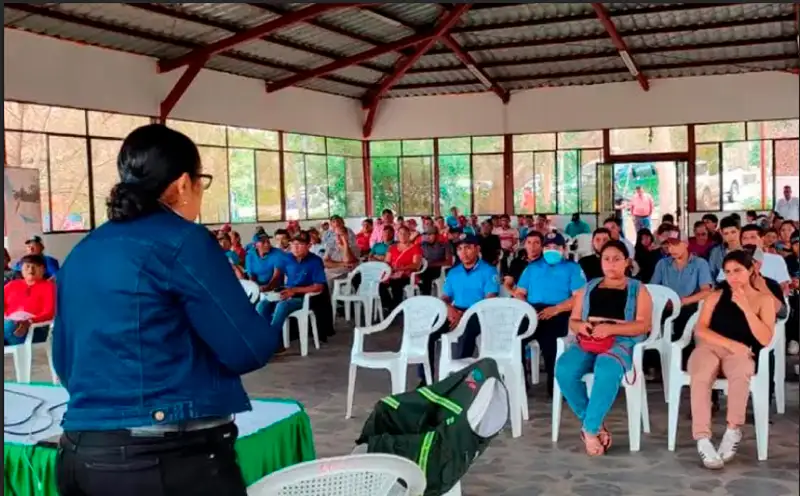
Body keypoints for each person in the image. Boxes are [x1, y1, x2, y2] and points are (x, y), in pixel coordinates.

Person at [52, 124, 279, 495]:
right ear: (184, 183)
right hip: (163, 458)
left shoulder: (84, 250)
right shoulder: (183, 241)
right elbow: (247, 348)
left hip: (82, 455)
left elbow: (65, 361)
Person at [555, 240, 652, 456]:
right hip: (589, 338)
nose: (611, 264)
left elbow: (644, 325)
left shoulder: (638, 289)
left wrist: (610, 329)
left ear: (626, 262)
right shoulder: (589, 287)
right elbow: (574, 320)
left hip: (621, 340)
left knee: (606, 367)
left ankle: (589, 430)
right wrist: (582, 326)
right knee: (564, 369)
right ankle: (594, 423)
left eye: (617, 259)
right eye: (606, 259)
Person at [688, 250, 776, 469]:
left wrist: (745, 307)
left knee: (741, 372)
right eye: (728, 272)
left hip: (741, 353)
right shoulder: (716, 296)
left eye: (737, 270)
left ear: (751, 270)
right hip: (710, 347)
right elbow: (700, 329)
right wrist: (730, 344)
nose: (732, 277)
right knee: (700, 374)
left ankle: (733, 429)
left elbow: (765, 338)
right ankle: (702, 438)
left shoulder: (764, 300)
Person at [515, 232, 586, 396]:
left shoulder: (572, 268)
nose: (551, 250)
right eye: (548, 247)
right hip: (532, 311)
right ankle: (520, 384)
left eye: (556, 247)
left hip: (560, 311)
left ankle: (554, 388)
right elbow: (519, 293)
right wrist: (528, 309)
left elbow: (579, 297)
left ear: (563, 249)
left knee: (550, 344)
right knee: (515, 339)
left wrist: (556, 309)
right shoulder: (532, 268)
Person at [421, 234, 498, 383]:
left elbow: (490, 299)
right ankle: (426, 378)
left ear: (477, 249)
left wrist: (465, 315)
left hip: (480, 313)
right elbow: (445, 297)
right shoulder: (454, 272)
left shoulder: (489, 271)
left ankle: (461, 378)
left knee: (466, 333)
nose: (464, 252)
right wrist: (449, 309)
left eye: (468, 248)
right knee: (429, 330)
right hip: (456, 311)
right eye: (460, 249)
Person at [651, 224, 714, 362]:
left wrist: (684, 301)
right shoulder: (662, 264)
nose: (671, 249)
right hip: (666, 305)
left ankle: (683, 361)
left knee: (684, 321)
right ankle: (654, 361)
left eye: (675, 245)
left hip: (689, 305)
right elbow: (653, 288)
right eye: (668, 245)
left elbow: (707, 291)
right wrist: (664, 301)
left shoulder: (700, 263)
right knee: (652, 320)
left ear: (685, 243)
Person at [259, 231, 327, 330]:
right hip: (287, 292)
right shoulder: (287, 258)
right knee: (262, 304)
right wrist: (268, 287)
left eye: (300, 244)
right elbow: (277, 275)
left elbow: (319, 287)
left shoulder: (315, 261)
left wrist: (294, 290)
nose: (295, 247)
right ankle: (262, 331)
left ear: (309, 245)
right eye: (293, 244)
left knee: (282, 306)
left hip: (305, 297)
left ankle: (273, 334)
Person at [718, 224, 791, 294]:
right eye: (745, 238)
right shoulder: (731, 260)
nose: (749, 241)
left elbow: (784, 287)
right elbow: (722, 285)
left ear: (762, 239)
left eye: (753, 237)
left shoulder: (776, 260)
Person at [4, 254, 56, 346]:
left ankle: (17, 348)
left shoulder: (49, 287)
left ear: (43, 270)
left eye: (36, 266)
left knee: (9, 326)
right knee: (9, 325)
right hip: (11, 323)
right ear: (21, 269)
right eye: (27, 266)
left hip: (36, 328)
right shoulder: (11, 286)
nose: (31, 269)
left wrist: (29, 321)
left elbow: (49, 313)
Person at [379, 225, 422, 311]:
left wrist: (401, 269)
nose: (402, 235)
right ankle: (390, 306)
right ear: (397, 235)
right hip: (392, 273)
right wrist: (390, 269)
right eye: (400, 233)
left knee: (396, 283)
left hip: (407, 275)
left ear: (409, 234)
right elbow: (387, 262)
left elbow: (416, 265)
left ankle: (395, 308)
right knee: (380, 284)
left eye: (405, 233)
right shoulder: (392, 248)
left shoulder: (415, 248)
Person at [419, 226, 453, 296]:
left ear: (437, 235)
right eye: (426, 234)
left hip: (437, 269)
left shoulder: (444, 244)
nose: (428, 237)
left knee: (427, 275)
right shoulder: (423, 245)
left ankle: (425, 296)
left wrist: (431, 264)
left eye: (430, 234)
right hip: (423, 268)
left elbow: (449, 262)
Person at [708, 216, 741, 280]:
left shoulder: (748, 250)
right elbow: (711, 275)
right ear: (721, 234)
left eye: (733, 232)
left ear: (739, 231)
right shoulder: (716, 252)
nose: (730, 236)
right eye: (726, 233)